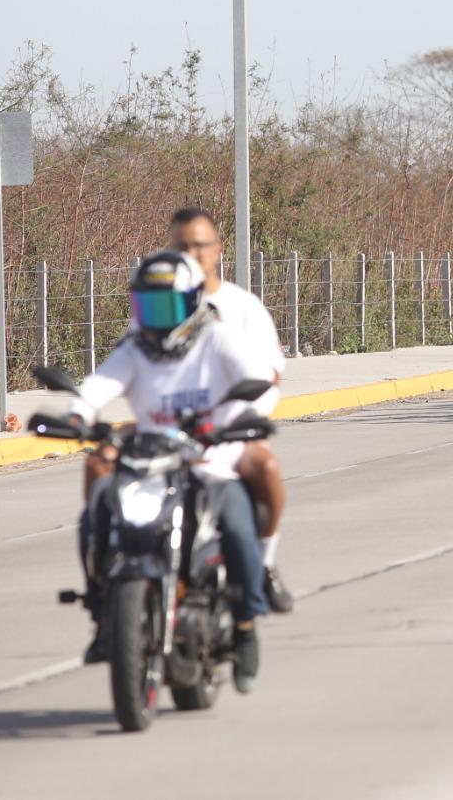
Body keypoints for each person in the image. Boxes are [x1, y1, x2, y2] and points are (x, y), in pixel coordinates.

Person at [71, 249, 272, 688]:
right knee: (96, 515)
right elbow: (101, 382)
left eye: (168, 306)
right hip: (151, 464)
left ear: (192, 300)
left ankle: (244, 627)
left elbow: (254, 378)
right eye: (148, 306)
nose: (157, 318)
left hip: (210, 461)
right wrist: (77, 413)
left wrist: (234, 421)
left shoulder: (215, 338)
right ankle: (105, 616)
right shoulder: (136, 347)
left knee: (238, 530)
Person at [166, 208, 294, 614]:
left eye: (200, 245)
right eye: (181, 246)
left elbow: (270, 374)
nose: (192, 253)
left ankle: (265, 562)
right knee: (106, 473)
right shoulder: (157, 304)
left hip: (230, 431)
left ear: (218, 250)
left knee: (266, 468)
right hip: (173, 432)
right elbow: (137, 367)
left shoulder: (243, 307)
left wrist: (245, 421)